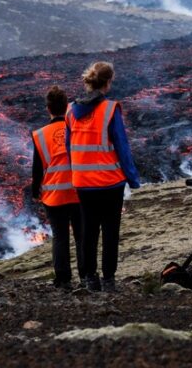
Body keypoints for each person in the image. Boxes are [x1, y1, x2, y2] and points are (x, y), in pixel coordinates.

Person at [65, 61, 140, 292]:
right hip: (109, 183)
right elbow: (121, 145)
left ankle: (90, 278)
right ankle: (108, 279)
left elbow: (69, 146)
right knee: (110, 231)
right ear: (108, 82)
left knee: (88, 231)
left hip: (83, 184)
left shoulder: (70, 111)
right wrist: (132, 178)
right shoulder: (110, 109)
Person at [31, 85, 84, 289]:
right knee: (82, 236)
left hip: (54, 195)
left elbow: (37, 169)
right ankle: (86, 275)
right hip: (79, 191)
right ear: (66, 107)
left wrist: (36, 191)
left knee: (60, 237)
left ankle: (63, 279)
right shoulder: (77, 128)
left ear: (48, 108)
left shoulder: (40, 135)